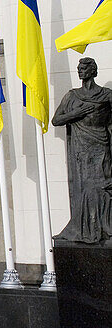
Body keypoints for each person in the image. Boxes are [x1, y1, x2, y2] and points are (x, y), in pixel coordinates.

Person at [52, 58, 112, 243]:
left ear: (92, 71)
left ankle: (106, 226)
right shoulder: (72, 96)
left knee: (104, 185)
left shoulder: (106, 95)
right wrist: (76, 113)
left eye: (83, 68)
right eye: (78, 68)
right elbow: (56, 120)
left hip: (101, 144)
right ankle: (84, 227)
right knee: (86, 188)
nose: (80, 71)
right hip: (82, 148)